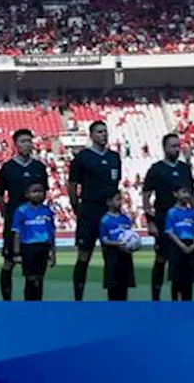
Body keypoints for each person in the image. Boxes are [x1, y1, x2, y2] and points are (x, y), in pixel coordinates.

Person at [67, 121, 122, 301]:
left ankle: (114, 298)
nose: (103, 135)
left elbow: (116, 185)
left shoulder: (114, 157)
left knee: (112, 256)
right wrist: (77, 207)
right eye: (99, 132)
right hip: (89, 211)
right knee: (84, 254)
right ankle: (78, 298)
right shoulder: (83, 157)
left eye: (105, 132)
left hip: (110, 213)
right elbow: (73, 184)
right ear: (91, 135)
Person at [0, 128, 47, 301]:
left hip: (35, 224)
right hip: (14, 222)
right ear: (15, 145)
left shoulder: (39, 167)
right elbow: (0, 195)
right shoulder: (8, 168)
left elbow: (43, 193)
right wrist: (8, 215)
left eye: (29, 141)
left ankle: (32, 302)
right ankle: (7, 300)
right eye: (22, 141)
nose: (26, 144)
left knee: (33, 267)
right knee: (9, 262)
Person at [142, 133, 194, 301]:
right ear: (164, 148)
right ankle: (155, 297)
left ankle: (179, 297)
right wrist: (150, 221)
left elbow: (191, 193)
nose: (176, 149)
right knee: (161, 258)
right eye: (173, 146)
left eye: (178, 146)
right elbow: (146, 196)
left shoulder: (184, 168)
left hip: (182, 221)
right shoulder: (156, 169)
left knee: (180, 260)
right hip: (163, 218)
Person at [11, 182, 56, 301]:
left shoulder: (47, 211)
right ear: (27, 194)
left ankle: (38, 303)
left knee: (40, 278)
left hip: (43, 247)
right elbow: (17, 232)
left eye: (41, 191)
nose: (38, 194)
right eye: (34, 191)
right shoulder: (21, 211)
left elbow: (51, 232)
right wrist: (16, 252)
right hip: (28, 247)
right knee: (30, 278)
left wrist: (53, 252)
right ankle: (29, 302)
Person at [164, 186, 194, 301]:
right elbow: (170, 231)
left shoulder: (192, 212)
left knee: (188, 281)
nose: (186, 195)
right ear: (176, 194)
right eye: (183, 192)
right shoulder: (172, 212)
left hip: (190, 245)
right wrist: (182, 245)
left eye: (188, 192)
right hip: (177, 246)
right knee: (176, 280)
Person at [99, 192, 136, 301]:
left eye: (121, 199)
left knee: (124, 286)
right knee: (113, 287)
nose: (120, 202)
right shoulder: (105, 220)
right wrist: (118, 244)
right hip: (113, 256)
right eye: (117, 199)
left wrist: (131, 246)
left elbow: (131, 236)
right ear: (109, 202)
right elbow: (104, 239)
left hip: (125, 255)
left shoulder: (125, 219)